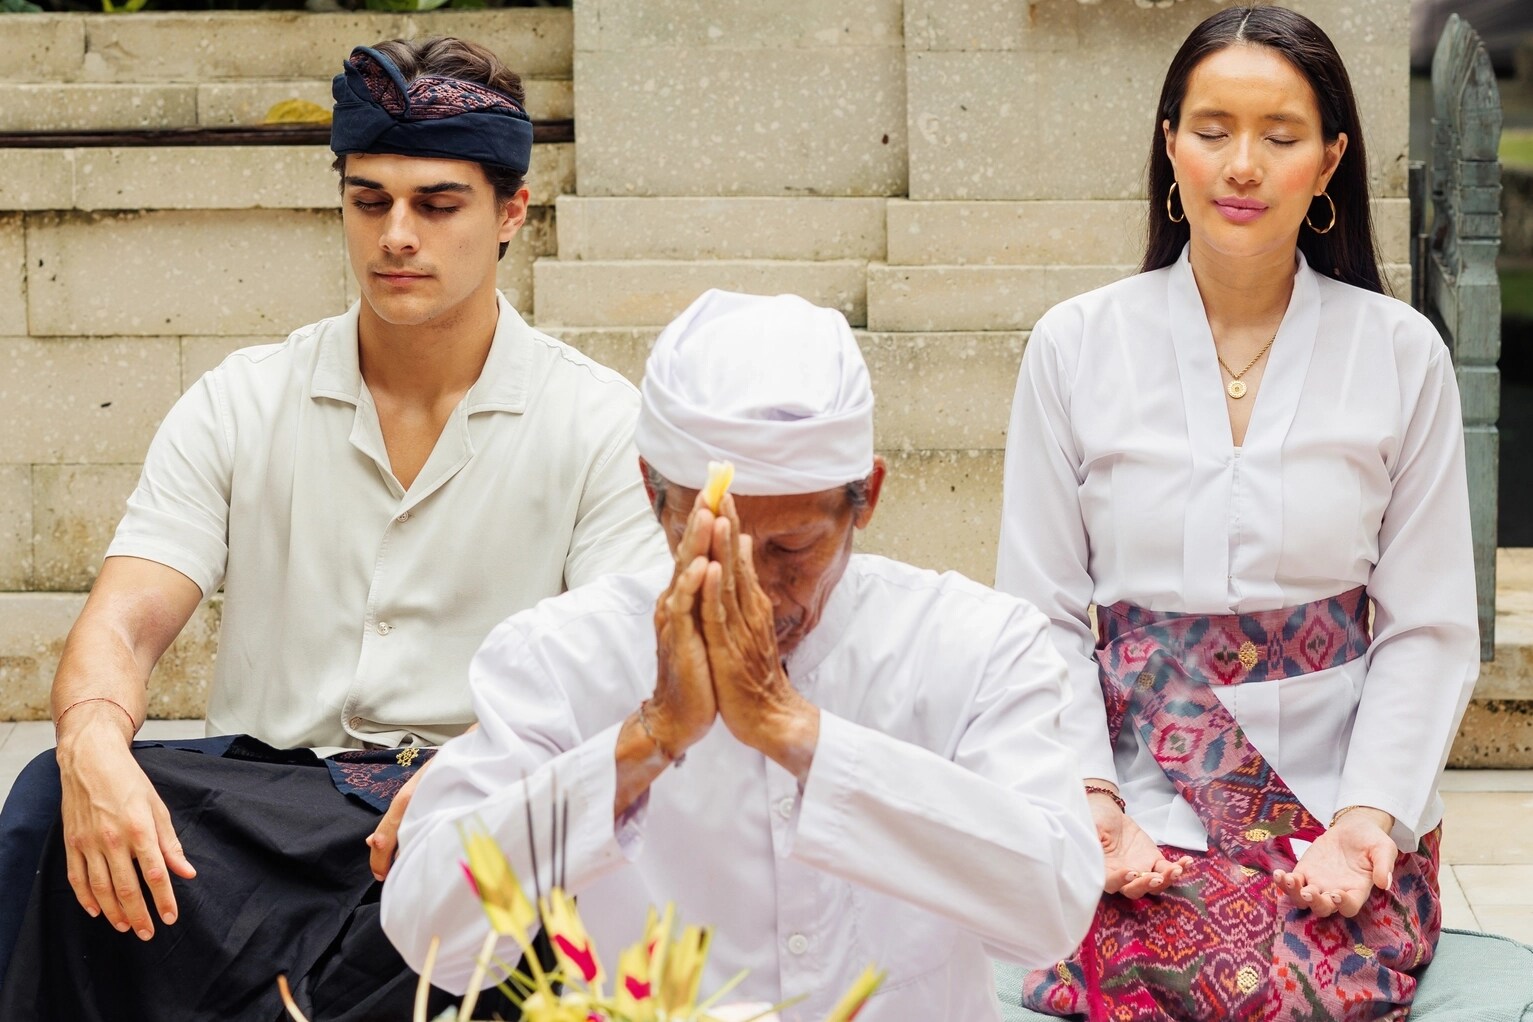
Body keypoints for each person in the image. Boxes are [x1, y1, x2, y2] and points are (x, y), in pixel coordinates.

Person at [0, 36, 666, 1022]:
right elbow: (127, 617)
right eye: (370, 200)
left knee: (539, 871)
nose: (398, 234)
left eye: (437, 204)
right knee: (57, 799)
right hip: (262, 817)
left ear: (511, 211)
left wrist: (485, 779)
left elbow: (628, 680)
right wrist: (94, 736)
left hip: (477, 794)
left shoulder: (602, 424)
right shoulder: (242, 398)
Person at [379, 289, 1105, 1021]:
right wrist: (646, 740)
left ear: (868, 497)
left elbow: (1049, 912)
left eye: (793, 548)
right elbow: (433, 933)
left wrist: (795, 732)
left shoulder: (973, 642)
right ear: (651, 495)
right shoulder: (558, 655)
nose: (753, 590)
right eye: (711, 544)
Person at [996, 6, 1479, 1020]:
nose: (1243, 164)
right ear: (1170, 145)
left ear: (1331, 159)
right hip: (1140, 806)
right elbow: (1038, 612)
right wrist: (1092, 802)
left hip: (1337, 813)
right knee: (1132, 977)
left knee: (1298, 990)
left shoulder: (1400, 353)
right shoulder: (1075, 346)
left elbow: (1429, 625)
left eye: (1282, 134)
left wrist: (1364, 816)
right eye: (1212, 129)